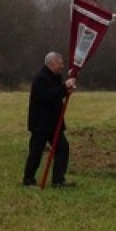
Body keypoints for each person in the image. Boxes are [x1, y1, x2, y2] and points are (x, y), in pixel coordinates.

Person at [23, 52, 77, 188]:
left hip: (54, 123)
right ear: (52, 63)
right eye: (60, 63)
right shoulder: (41, 78)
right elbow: (46, 96)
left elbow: (56, 93)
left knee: (62, 148)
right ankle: (28, 179)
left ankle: (58, 180)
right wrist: (64, 87)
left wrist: (66, 90)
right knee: (36, 151)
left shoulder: (55, 77)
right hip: (41, 123)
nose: (62, 66)